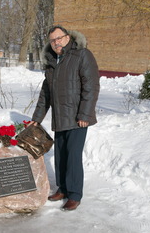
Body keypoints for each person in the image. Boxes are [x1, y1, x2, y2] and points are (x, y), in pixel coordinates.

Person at [29, 25, 100, 211]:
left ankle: (75, 194)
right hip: (60, 116)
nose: (56, 42)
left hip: (78, 118)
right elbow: (46, 93)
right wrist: (37, 118)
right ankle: (63, 188)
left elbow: (91, 87)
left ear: (68, 37)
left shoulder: (82, 55)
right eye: (52, 40)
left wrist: (85, 114)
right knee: (61, 154)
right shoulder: (52, 61)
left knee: (73, 156)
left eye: (59, 38)